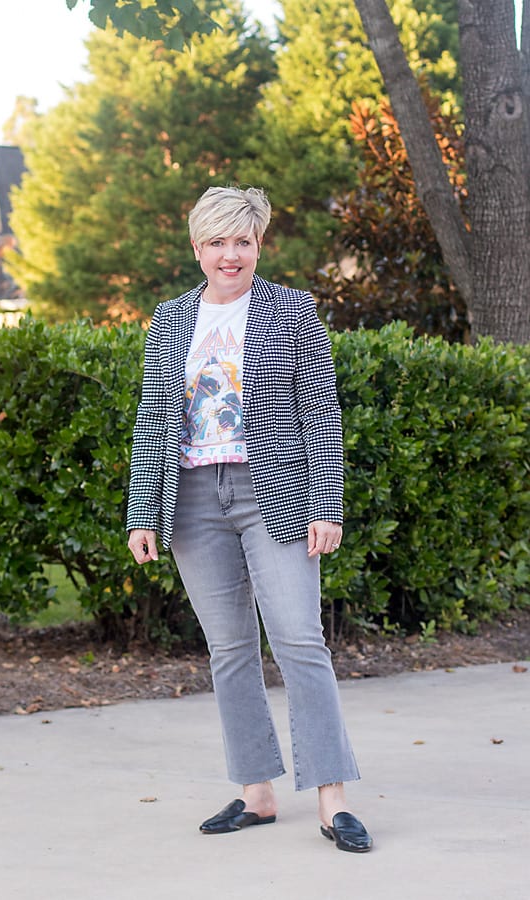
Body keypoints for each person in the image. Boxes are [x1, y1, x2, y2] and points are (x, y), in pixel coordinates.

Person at [127, 186, 372, 853]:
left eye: (243, 241)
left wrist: (328, 505)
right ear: (197, 249)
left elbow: (321, 409)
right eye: (216, 242)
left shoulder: (291, 311)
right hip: (195, 501)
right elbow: (153, 418)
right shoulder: (171, 319)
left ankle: (332, 799)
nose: (229, 255)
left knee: (298, 640)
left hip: (275, 494)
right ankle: (256, 793)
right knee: (230, 651)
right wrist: (140, 512)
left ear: (259, 244)